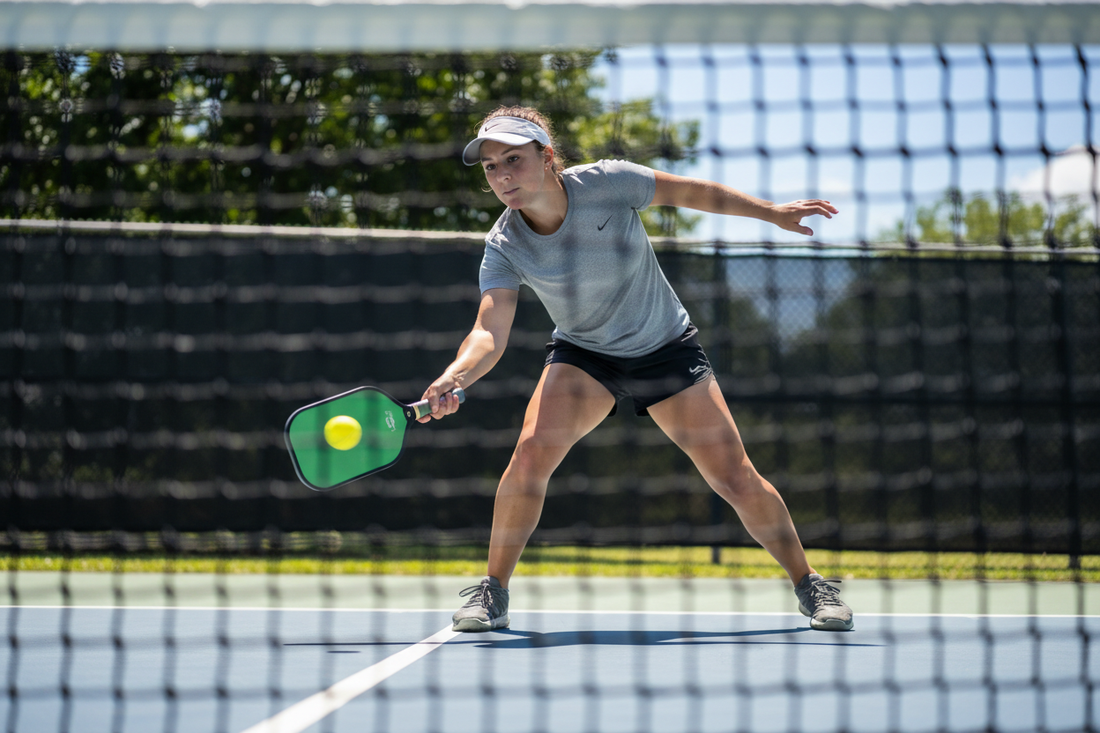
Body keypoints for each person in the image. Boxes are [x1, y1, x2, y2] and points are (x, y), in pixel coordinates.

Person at [420, 106, 853, 633]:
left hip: (665, 347)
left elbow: (693, 193)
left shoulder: (609, 182)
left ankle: (811, 585)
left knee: (734, 476)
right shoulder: (504, 244)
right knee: (529, 456)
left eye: (513, 159)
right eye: (490, 167)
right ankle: (493, 592)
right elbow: (489, 331)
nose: (503, 175)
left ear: (547, 157)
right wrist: (455, 375)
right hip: (585, 357)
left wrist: (772, 214)